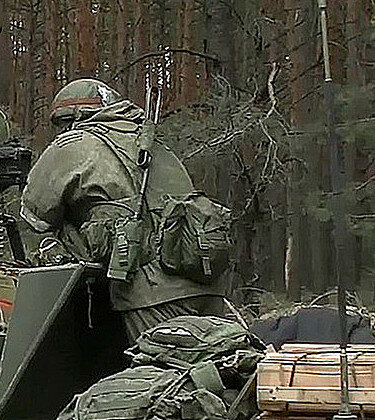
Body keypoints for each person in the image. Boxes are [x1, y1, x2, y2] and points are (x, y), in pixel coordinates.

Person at [20, 78, 228, 342]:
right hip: (206, 287)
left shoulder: (76, 143)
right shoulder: (151, 143)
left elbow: (35, 214)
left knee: (164, 377)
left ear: (69, 119)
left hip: (152, 295)